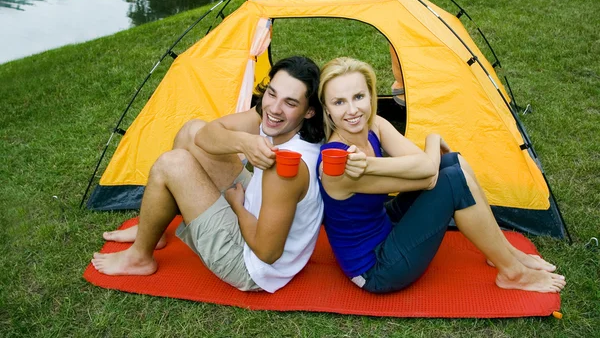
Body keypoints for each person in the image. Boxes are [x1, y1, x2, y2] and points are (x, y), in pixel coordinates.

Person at [316, 57, 566, 294]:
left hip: (384, 225)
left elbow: (424, 165)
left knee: (451, 161)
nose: (352, 110)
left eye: (359, 96)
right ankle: (513, 273)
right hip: (376, 268)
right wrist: (433, 139)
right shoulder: (336, 165)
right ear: (327, 110)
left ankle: (504, 251)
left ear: (371, 96)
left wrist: (426, 157)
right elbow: (427, 176)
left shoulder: (375, 125)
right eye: (339, 102)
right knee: (451, 180)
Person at [92, 56, 325, 293]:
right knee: (191, 131)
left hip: (253, 265)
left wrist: (238, 208)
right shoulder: (277, 121)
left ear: (309, 112)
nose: (274, 108)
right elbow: (204, 135)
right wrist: (244, 142)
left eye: (290, 103)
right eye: (272, 93)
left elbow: (268, 253)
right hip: (259, 212)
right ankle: (153, 231)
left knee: (171, 164)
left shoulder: (288, 166)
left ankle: (139, 258)